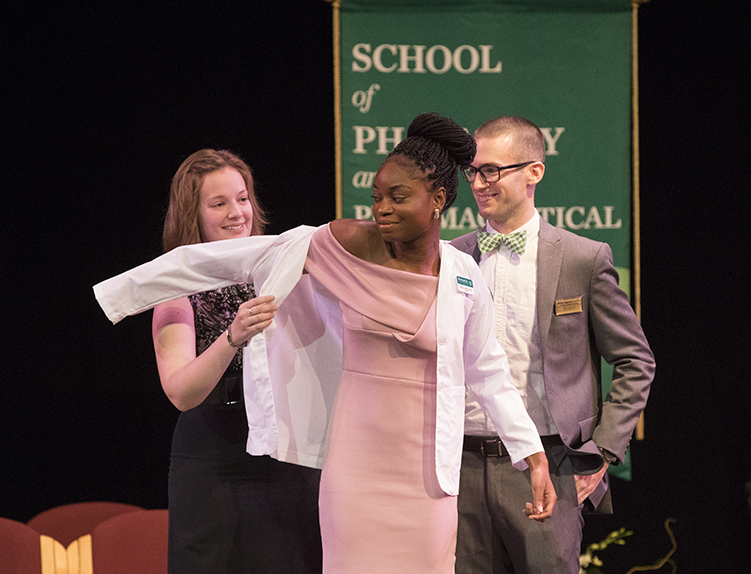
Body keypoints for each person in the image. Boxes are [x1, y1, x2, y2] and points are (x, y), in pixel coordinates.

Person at [93, 114, 557, 574]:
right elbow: (228, 258)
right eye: (377, 197)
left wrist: (532, 454)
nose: (382, 209)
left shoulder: (462, 273)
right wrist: (124, 292)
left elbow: (488, 371)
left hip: (429, 476)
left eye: (398, 197)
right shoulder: (345, 247)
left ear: (437, 199)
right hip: (354, 470)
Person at [450, 115, 656, 574]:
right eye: (473, 172)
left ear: (534, 172)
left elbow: (635, 360)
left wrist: (602, 452)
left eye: (492, 170)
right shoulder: (452, 256)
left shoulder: (583, 258)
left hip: (546, 465)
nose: (479, 183)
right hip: (459, 464)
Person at [151, 149, 322, 573]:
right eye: (219, 203)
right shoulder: (174, 287)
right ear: (194, 213)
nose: (237, 213)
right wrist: (233, 336)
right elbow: (180, 392)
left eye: (242, 199)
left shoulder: (280, 273)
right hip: (212, 457)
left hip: (283, 451)